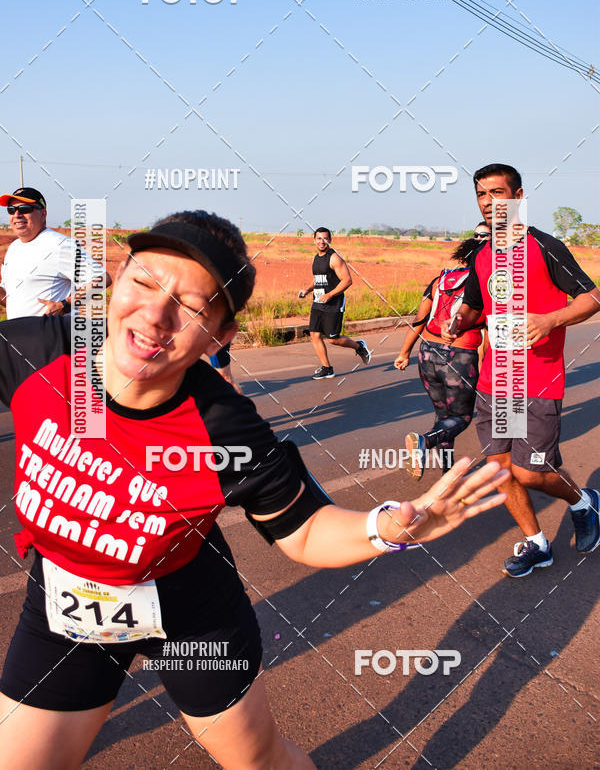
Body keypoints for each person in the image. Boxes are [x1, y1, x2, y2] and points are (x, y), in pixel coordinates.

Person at [0, 209, 510, 769]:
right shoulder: (40, 353)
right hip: (62, 601)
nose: (154, 316)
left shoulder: (221, 426)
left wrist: (385, 527)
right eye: (143, 281)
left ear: (221, 336)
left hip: (188, 616)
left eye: (190, 307)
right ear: (116, 278)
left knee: (258, 761)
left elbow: (307, 527)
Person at [443, 163, 600, 578]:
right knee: (498, 468)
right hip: (495, 380)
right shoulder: (480, 255)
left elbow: (592, 298)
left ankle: (584, 503)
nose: (490, 203)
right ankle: (536, 543)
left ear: (518, 197)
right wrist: (460, 319)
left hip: (538, 379)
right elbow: (477, 307)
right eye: (482, 195)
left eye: (498, 193)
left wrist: (551, 320)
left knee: (530, 473)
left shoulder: (545, 247)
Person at [395, 224, 490, 477]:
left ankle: (447, 474)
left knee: (443, 417)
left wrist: (404, 352)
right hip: (458, 357)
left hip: (426, 354)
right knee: (461, 418)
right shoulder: (486, 283)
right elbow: (488, 336)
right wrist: (485, 370)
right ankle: (423, 441)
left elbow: (419, 319)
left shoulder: (442, 278)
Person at [0, 187, 112, 319]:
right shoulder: (14, 248)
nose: (17, 215)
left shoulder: (59, 244)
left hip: (52, 335)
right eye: (11, 210)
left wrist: (64, 305)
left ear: (43, 214)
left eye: (25, 209)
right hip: (19, 335)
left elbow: (102, 278)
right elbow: (13, 299)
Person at [298, 227, 370, 379]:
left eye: (325, 238)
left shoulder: (334, 258)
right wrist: (307, 290)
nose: (322, 241)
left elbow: (347, 280)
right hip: (318, 302)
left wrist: (330, 295)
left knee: (332, 339)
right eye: (319, 238)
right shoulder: (316, 258)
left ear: (329, 240)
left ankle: (359, 346)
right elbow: (318, 279)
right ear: (314, 240)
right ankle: (327, 368)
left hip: (334, 303)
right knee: (315, 334)